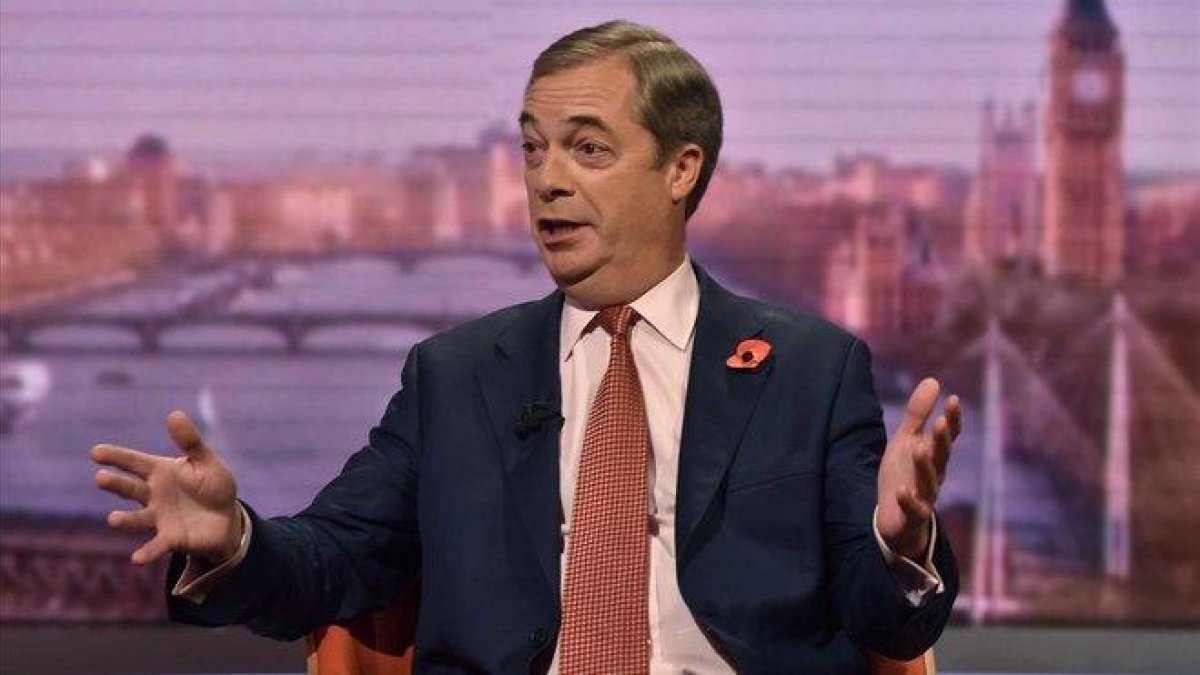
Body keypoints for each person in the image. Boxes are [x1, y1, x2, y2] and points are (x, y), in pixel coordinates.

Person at [91, 20, 961, 674]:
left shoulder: (809, 369)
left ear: (680, 169)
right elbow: (332, 565)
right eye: (533, 149)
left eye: (587, 148)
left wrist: (901, 544)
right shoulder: (457, 376)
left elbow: (883, 616)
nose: (547, 178)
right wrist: (232, 538)